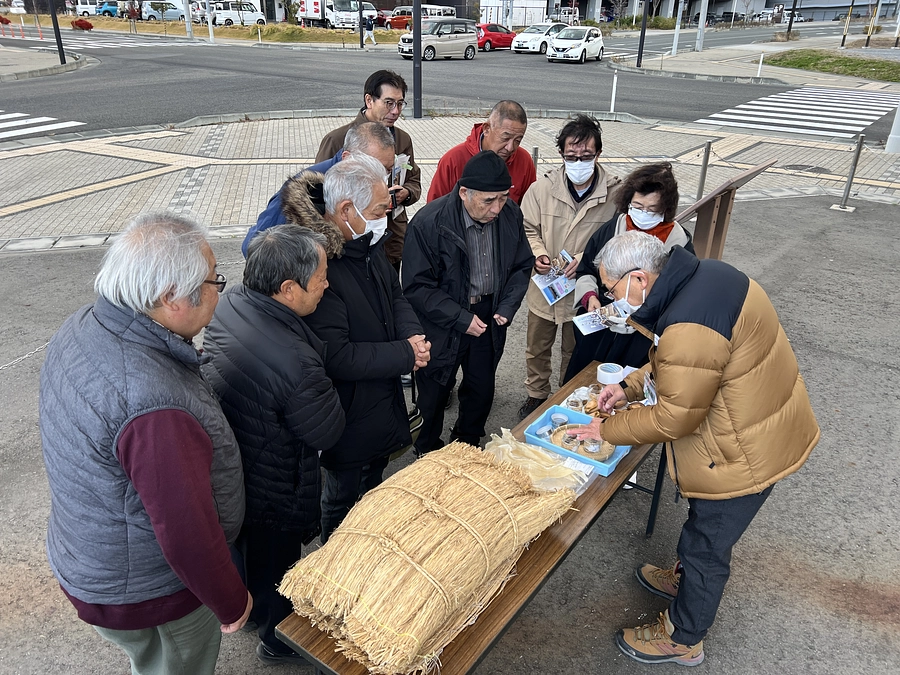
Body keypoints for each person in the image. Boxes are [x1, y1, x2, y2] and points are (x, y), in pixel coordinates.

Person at [573, 231, 819, 666]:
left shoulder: (688, 324)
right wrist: (628, 387)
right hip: (757, 422)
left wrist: (607, 429)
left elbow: (675, 416)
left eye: (611, 288)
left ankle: (683, 637)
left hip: (743, 452)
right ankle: (683, 581)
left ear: (640, 278)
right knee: (701, 531)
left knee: (707, 545)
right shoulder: (707, 276)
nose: (611, 299)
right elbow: (683, 363)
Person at [39, 212, 252, 675]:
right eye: (214, 280)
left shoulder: (83, 326)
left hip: (89, 552)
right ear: (171, 297)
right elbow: (187, 530)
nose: (220, 290)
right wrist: (231, 600)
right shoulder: (154, 403)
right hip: (149, 589)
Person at [202, 225, 346, 666]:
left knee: (245, 549)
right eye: (320, 277)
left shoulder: (232, 303)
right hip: (276, 481)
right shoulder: (294, 360)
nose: (326, 284)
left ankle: (247, 610)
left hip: (236, 463)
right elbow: (326, 432)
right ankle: (277, 640)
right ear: (287, 288)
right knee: (277, 565)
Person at [288, 154, 430, 542]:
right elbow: (338, 356)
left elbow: (395, 295)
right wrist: (405, 354)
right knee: (341, 497)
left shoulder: (364, 241)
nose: (386, 216)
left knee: (373, 488)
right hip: (345, 412)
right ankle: (336, 557)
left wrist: (413, 337)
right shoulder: (317, 265)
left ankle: (367, 546)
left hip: (380, 397)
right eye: (380, 210)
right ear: (347, 210)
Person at [402, 150, 534, 454]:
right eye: (488, 201)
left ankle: (467, 445)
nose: (497, 208)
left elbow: (521, 264)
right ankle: (427, 450)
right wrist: (461, 318)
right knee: (434, 390)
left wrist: (507, 305)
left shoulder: (510, 214)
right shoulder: (429, 222)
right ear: (464, 193)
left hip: (489, 313)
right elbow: (417, 287)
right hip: (443, 317)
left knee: (481, 388)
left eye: (503, 198)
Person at [517, 114, 621, 420]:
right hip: (545, 284)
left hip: (587, 287)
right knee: (537, 345)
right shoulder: (542, 189)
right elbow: (526, 228)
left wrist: (586, 259)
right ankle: (536, 395)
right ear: (561, 154)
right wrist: (537, 255)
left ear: (598, 154)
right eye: (571, 156)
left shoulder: (615, 194)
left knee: (576, 348)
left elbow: (619, 239)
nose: (578, 163)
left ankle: (570, 394)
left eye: (586, 156)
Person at [564, 162, 694, 383]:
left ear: (666, 209)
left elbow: (679, 295)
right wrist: (590, 296)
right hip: (604, 324)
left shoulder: (678, 243)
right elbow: (586, 268)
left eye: (652, 209)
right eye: (637, 206)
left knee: (629, 384)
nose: (643, 214)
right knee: (584, 377)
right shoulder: (613, 228)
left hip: (642, 335)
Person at [316, 70, 421, 269]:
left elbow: (414, 179)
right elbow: (321, 195)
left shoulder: (403, 139)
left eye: (400, 104)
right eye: (389, 103)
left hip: (391, 241)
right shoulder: (337, 141)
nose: (395, 111)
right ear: (369, 100)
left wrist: (406, 193)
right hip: (350, 245)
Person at [244, 121, 396, 257]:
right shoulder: (304, 192)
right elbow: (254, 247)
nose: (381, 176)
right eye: (374, 166)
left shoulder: (369, 184)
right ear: (347, 158)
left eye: (388, 170)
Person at [427, 100, 536, 205]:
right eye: (505, 138)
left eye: (517, 140)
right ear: (487, 129)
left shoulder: (524, 161)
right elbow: (434, 209)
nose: (510, 148)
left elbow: (530, 208)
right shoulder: (453, 160)